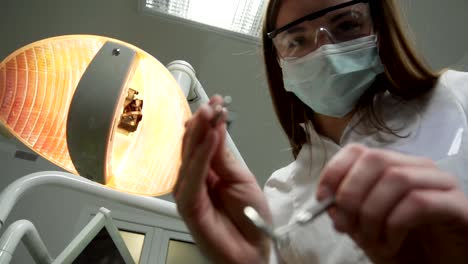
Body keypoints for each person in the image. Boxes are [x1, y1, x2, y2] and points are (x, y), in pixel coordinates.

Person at [174, 0, 468, 263]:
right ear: (278, 61)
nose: (324, 49)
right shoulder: (279, 194)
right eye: (297, 40)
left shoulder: (458, 96)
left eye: (347, 24)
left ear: (379, 27)